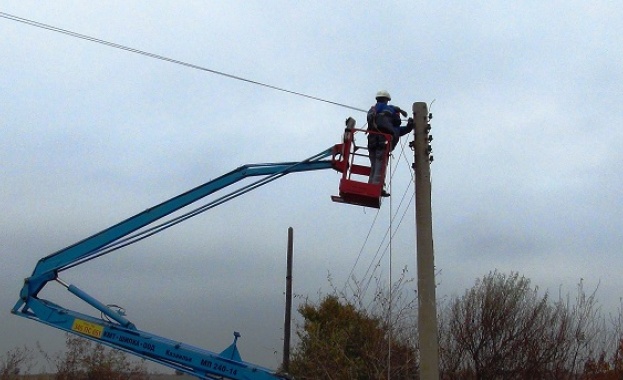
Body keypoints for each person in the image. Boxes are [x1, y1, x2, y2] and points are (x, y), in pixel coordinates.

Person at [366, 90, 414, 191]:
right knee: (380, 165)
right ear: (386, 100)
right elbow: (397, 127)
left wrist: (409, 126)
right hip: (382, 143)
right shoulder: (387, 111)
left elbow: (398, 130)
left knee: (374, 166)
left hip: (372, 143)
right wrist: (408, 123)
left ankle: (371, 186)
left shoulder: (373, 110)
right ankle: (376, 187)